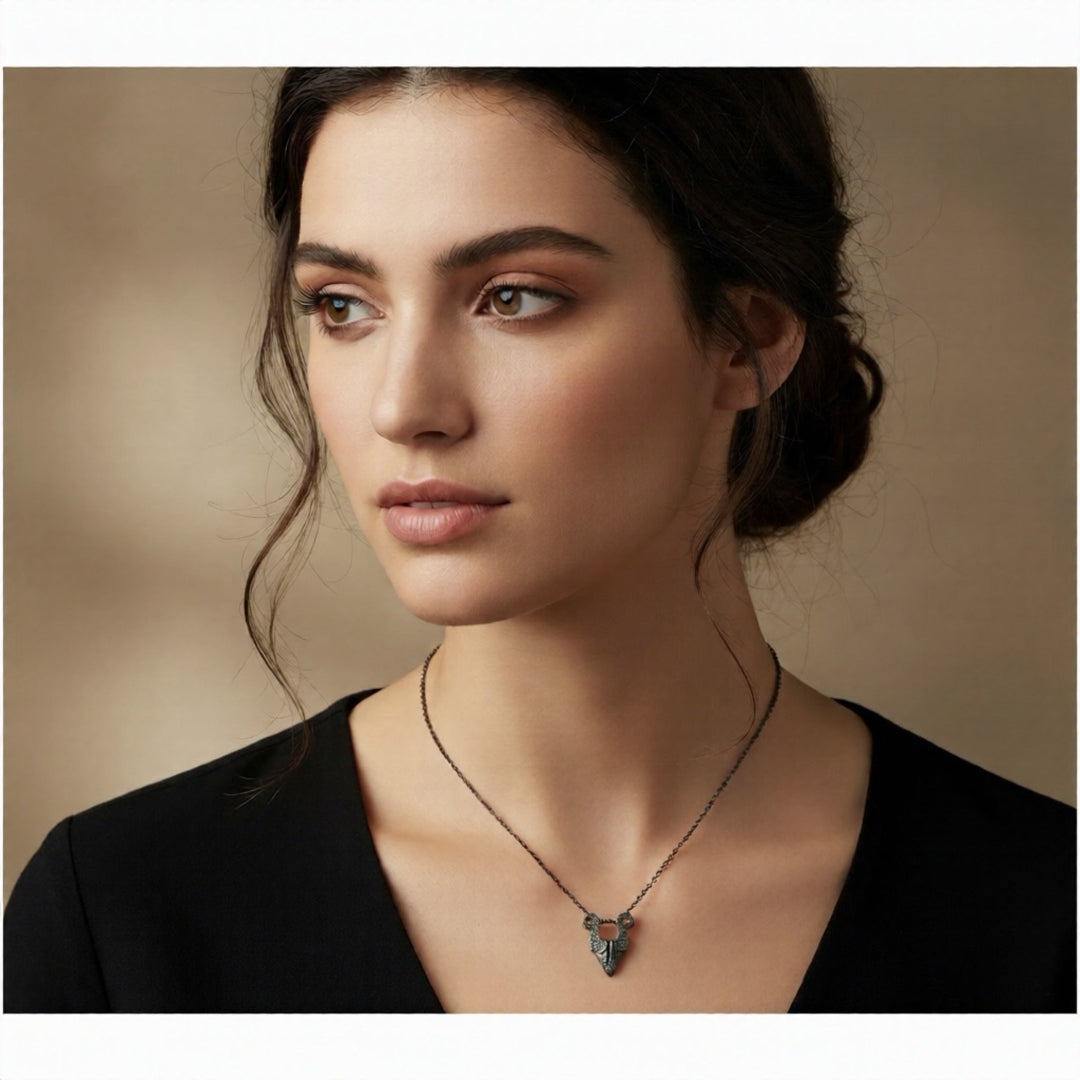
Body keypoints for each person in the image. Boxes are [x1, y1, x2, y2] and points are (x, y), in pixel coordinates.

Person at [3, 67, 1074, 1013]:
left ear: (747, 335)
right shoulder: (123, 922)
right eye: (342, 305)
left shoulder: (1041, 918)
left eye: (512, 298)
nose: (404, 406)